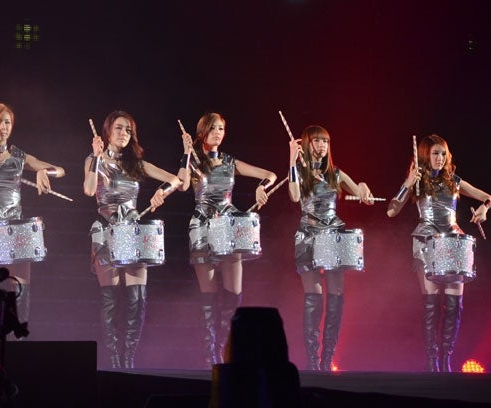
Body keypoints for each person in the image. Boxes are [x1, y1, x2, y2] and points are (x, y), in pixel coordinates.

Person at [84, 110, 181, 369]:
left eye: (128, 130)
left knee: (137, 300)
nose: (124, 133)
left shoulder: (137, 164)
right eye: (119, 128)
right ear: (107, 131)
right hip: (105, 232)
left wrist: (162, 192)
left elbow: (176, 180)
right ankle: (114, 359)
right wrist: (96, 157)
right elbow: (89, 189)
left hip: (132, 234)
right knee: (111, 301)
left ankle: (128, 359)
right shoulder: (94, 160)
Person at [179, 112, 277, 367]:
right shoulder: (194, 161)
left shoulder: (230, 161)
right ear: (202, 132)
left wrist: (261, 187)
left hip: (229, 226)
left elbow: (270, 174)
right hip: (202, 227)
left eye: (221, 128)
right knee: (208, 297)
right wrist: (187, 153)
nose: (218, 133)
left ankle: (227, 351)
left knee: (234, 295)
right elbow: (182, 184)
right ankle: (209, 355)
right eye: (213, 128)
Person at [387, 134, 490, 372]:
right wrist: (407, 184)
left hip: (453, 243)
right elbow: (391, 211)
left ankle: (446, 360)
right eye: (435, 153)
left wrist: (484, 209)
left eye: (443, 153)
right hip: (426, 242)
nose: (440, 158)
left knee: (454, 306)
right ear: (425, 155)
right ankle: (432, 361)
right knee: (431, 305)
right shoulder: (418, 181)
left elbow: (487, 197)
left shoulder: (454, 181)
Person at [0, 102, 65, 330]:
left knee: (20, 291)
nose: (3, 127)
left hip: (16, 230)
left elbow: (60, 170)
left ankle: (18, 341)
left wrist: (43, 171)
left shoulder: (18, 155)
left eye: (7, 122)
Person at [287, 125, 374, 371]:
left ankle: (327, 360)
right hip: (308, 235)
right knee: (313, 297)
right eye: (317, 141)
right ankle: (313, 361)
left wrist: (363, 187)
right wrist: (292, 161)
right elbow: (294, 196)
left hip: (333, 236)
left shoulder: (335, 173)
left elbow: (362, 194)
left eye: (325, 141)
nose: (322, 146)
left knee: (336, 297)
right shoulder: (299, 172)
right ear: (307, 144)